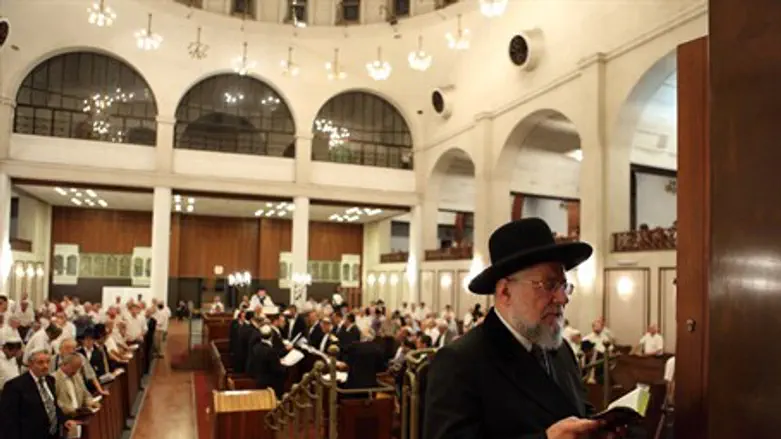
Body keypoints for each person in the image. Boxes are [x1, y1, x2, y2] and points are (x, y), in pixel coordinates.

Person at [424, 218, 617, 439]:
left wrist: (601, 429)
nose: (563, 298)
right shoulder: (460, 362)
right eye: (549, 285)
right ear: (505, 292)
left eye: (564, 286)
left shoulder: (561, 351)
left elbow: (574, 414)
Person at [0, 350, 78, 438]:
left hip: (52, 435)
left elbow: (53, 406)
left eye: (48, 362)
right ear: (30, 364)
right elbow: (8, 421)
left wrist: (64, 420)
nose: (45, 366)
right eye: (40, 363)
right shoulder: (14, 386)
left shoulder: (50, 380)